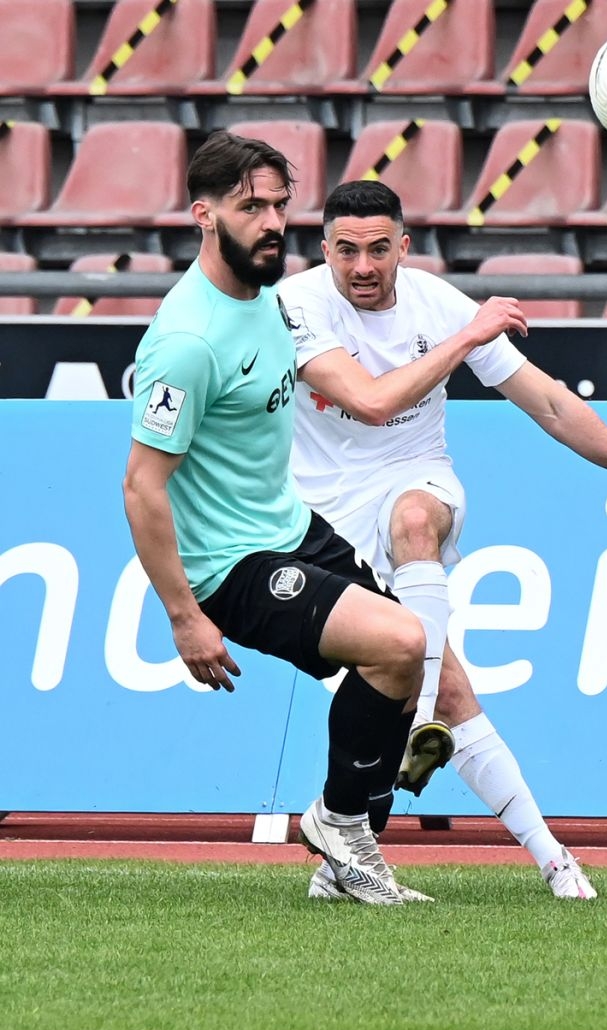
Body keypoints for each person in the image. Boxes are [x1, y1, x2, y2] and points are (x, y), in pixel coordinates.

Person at [277, 180, 607, 901]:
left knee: (415, 522)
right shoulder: (300, 304)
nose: (362, 267)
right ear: (324, 250)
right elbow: (368, 404)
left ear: (403, 246)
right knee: (453, 693)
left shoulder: (437, 304)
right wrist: (466, 339)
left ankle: (554, 861)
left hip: (412, 478)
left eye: (377, 249)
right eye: (346, 251)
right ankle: (370, 857)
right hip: (320, 520)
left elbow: (551, 404)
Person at [122, 132, 427, 907]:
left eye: (280, 204)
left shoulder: (268, 298)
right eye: (250, 205)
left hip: (291, 526)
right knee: (401, 642)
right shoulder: (187, 343)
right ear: (204, 213)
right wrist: (185, 616)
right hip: (229, 566)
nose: (271, 221)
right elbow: (141, 487)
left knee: (403, 672)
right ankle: (339, 826)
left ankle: (343, 852)